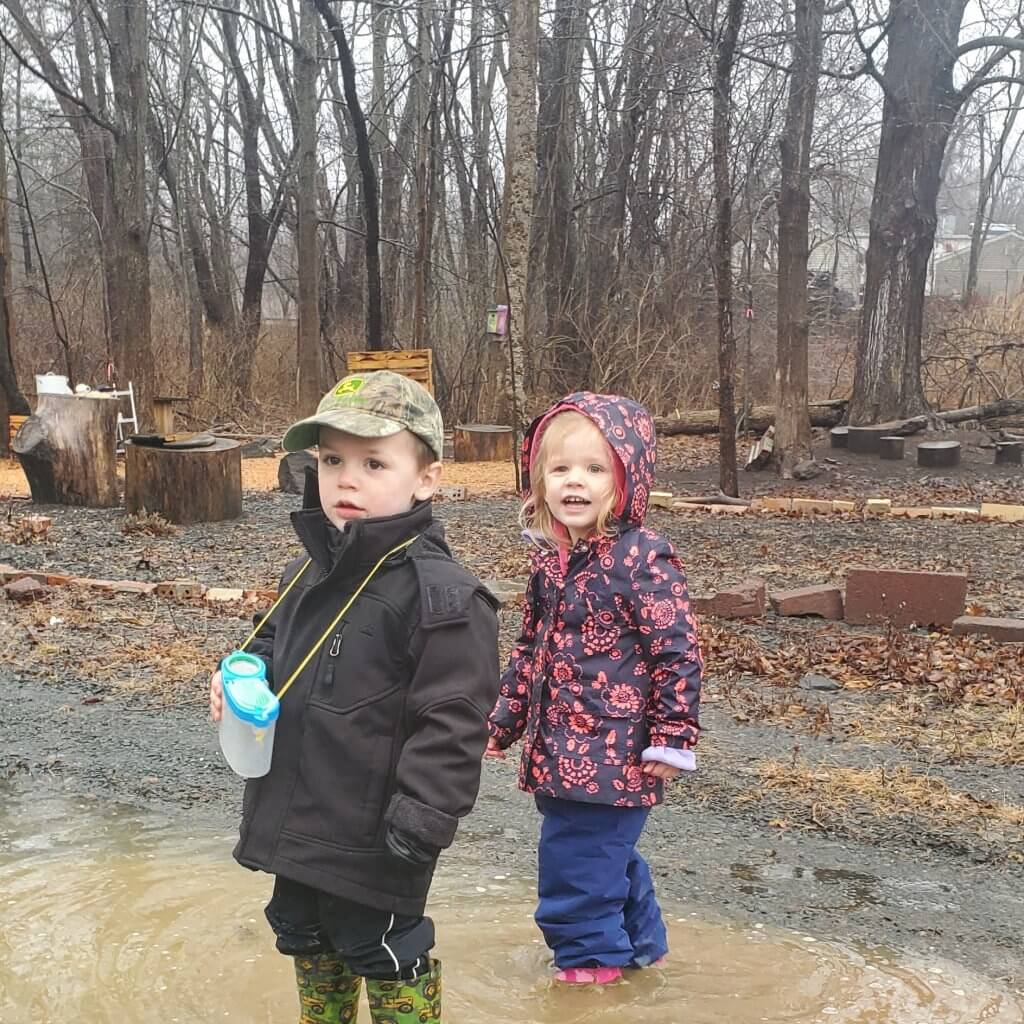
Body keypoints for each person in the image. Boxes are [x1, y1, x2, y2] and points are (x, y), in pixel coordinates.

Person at [210, 370, 499, 1022]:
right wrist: (238, 678)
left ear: (425, 478)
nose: (346, 478)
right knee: (305, 935)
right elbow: (266, 647)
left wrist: (422, 820)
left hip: (380, 835)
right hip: (298, 814)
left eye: (374, 462)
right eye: (332, 459)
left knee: (386, 950)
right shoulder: (305, 571)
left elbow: (454, 721)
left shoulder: (443, 596)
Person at [485, 391, 702, 985]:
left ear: (626, 478)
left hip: (615, 759)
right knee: (604, 863)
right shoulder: (551, 563)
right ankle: (640, 956)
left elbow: (676, 653)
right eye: (560, 469)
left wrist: (674, 736)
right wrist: (503, 720)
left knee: (575, 877)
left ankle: (588, 978)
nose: (574, 482)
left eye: (594, 469)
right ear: (539, 480)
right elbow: (529, 650)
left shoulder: (643, 559)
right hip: (559, 754)